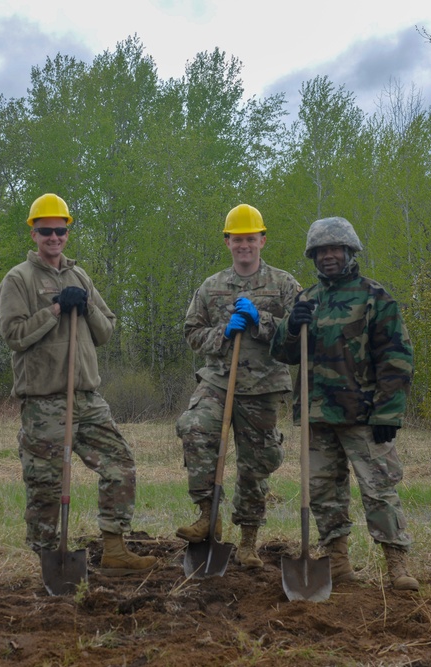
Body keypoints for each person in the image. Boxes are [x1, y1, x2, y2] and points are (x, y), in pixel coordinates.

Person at [0, 193, 156, 576]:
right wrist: (54, 310)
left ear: (68, 232)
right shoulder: (18, 278)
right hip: (45, 402)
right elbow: (13, 334)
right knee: (46, 485)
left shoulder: (80, 275)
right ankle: (49, 561)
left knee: (120, 465)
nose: (54, 237)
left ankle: (115, 547)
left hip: (87, 397)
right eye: (46, 231)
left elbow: (106, 330)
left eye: (60, 230)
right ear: (33, 234)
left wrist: (84, 306)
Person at [270, 216, 419, 591]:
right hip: (317, 417)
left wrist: (389, 411)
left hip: (364, 415)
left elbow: (396, 357)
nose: (329, 256)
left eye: (335, 249)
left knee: (379, 489)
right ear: (313, 256)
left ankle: (396, 564)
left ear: (350, 251)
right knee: (323, 493)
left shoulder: (375, 297)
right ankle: (337, 563)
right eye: (321, 251)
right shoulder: (306, 300)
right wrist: (290, 325)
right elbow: (284, 354)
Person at [175, 204, 301, 569]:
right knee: (194, 428)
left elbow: (299, 334)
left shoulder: (284, 284)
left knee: (255, 464)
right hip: (218, 380)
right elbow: (191, 333)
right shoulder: (211, 287)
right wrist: (222, 333)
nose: (244, 245)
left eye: (250, 238)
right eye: (237, 239)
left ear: (262, 240)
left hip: (263, 386)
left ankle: (248, 541)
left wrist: (260, 320)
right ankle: (206, 514)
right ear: (227, 242)